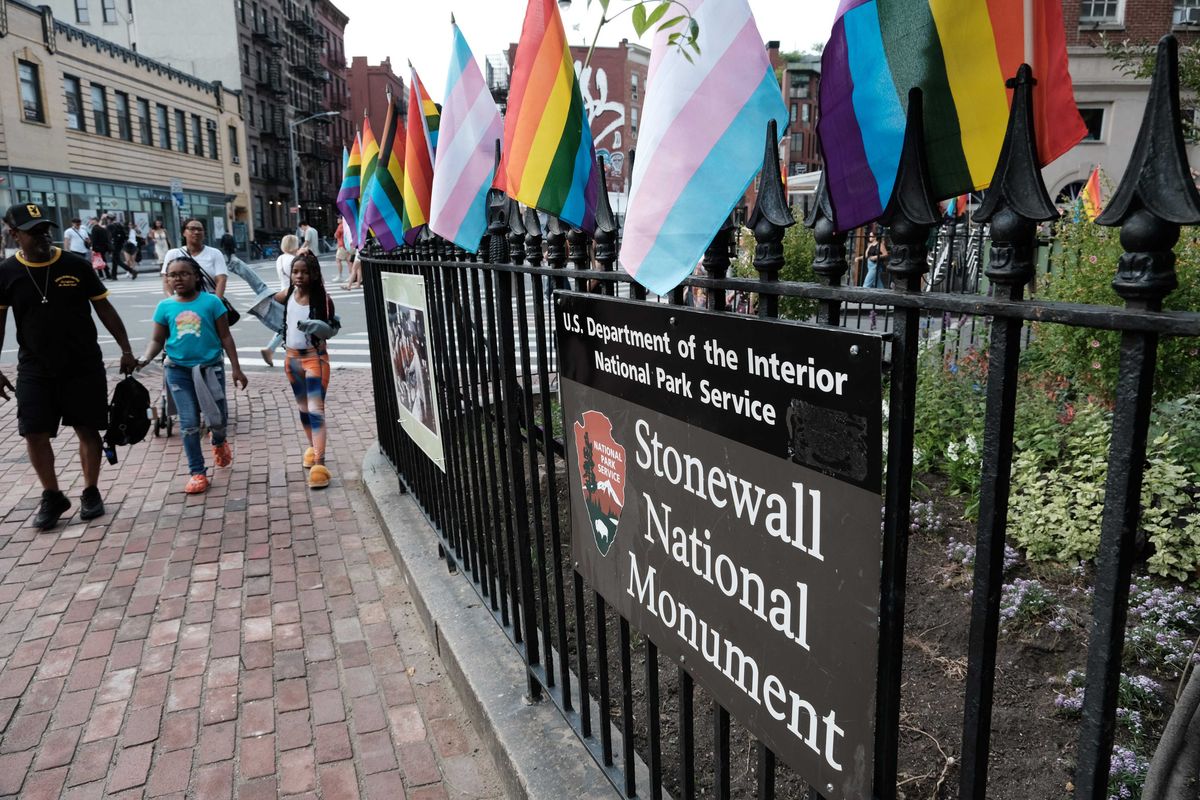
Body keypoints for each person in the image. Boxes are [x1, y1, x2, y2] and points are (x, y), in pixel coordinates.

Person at [0, 203, 138, 528]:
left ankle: (90, 491)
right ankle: (52, 495)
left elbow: (104, 308)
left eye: (44, 230)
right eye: (32, 232)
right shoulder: (6, 272)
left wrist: (126, 349)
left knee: (87, 429)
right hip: (34, 367)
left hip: (82, 364)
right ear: (14, 234)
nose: (42, 237)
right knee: (33, 432)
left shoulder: (75, 264)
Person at [137, 255, 247, 494]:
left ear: (196, 276)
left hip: (210, 368)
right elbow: (157, 339)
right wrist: (145, 358)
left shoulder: (212, 303)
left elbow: (225, 336)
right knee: (188, 424)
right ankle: (197, 472)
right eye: (172, 275)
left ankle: (219, 442)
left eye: (184, 273)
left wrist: (236, 368)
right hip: (177, 371)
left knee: (217, 420)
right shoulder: (164, 306)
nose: (178, 278)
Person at [276, 251, 336, 489]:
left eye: (304, 272)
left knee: (315, 410)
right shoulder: (288, 293)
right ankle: (313, 448)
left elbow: (330, 329)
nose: (299, 276)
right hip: (291, 360)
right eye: (295, 271)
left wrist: (320, 328)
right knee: (303, 410)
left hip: (314, 360)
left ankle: (320, 463)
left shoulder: (322, 299)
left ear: (314, 275)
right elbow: (270, 300)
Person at [161, 218, 227, 297]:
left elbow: (221, 280)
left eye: (200, 229)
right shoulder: (173, 254)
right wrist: (173, 302)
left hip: (209, 299)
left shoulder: (215, 253)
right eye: (192, 229)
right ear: (184, 233)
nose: (196, 232)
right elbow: (166, 282)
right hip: (182, 301)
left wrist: (215, 303)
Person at [260, 234, 300, 367]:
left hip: (283, 292)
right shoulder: (294, 259)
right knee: (291, 325)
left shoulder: (280, 258)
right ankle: (272, 349)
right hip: (294, 294)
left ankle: (271, 349)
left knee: (287, 324)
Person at [107, 216, 134, 280]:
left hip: (113, 245)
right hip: (119, 245)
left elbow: (108, 236)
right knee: (114, 260)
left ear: (109, 220)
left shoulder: (110, 226)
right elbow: (124, 236)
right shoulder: (119, 225)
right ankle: (114, 276)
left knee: (117, 260)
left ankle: (132, 271)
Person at [89, 216, 111, 280]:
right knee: (103, 261)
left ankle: (102, 275)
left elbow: (94, 240)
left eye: (92, 220)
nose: (91, 222)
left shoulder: (94, 229)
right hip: (103, 248)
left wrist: (93, 249)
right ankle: (107, 274)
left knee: (98, 261)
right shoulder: (102, 229)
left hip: (97, 248)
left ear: (95, 221)